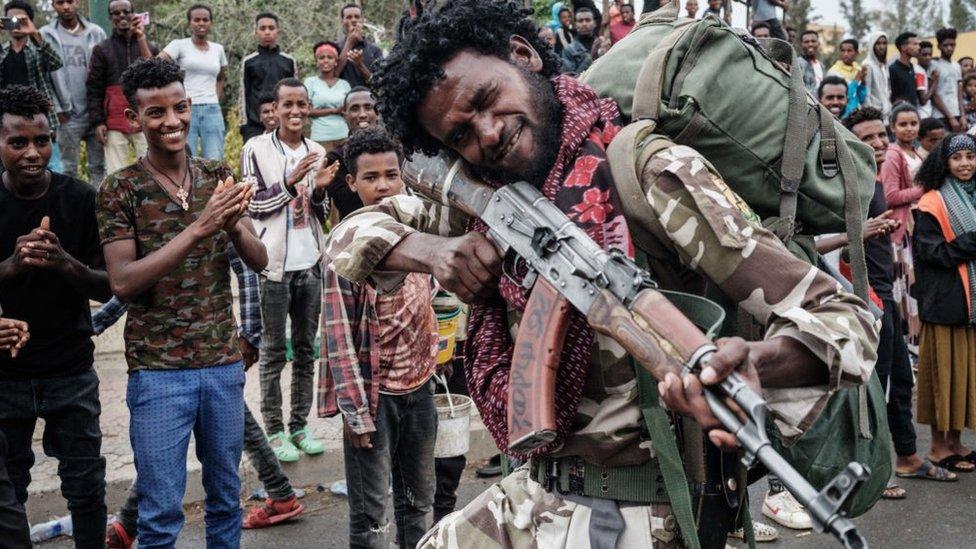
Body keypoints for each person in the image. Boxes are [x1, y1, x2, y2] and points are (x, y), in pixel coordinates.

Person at [339, 2, 878, 547]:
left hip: (639, 513)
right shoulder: (484, 199)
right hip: (532, 493)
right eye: (460, 136)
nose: (488, 133)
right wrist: (432, 251)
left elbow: (846, 319)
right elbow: (348, 237)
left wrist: (759, 362)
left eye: (486, 100)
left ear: (523, 56)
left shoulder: (649, 175)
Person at [97, 58, 267, 547]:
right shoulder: (120, 189)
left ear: (191, 107)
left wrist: (233, 222)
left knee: (225, 501)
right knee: (160, 513)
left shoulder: (218, 174)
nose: (171, 121)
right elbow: (124, 282)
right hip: (157, 373)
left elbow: (259, 260)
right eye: (156, 113)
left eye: (180, 108)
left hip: (220, 365)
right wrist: (201, 227)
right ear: (134, 119)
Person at [96, 251, 303, 548]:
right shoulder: (146, 210)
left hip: (214, 357)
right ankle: (127, 522)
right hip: (163, 365)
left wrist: (250, 333)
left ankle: (126, 523)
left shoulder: (215, 207)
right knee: (162, 477)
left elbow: (246, 263)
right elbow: (135, 279)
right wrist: (94, 323)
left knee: (220, 494)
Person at [0, 84, 112, 549]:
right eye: (17, 142)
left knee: (86, 487)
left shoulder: (80, 198)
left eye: (42, 140)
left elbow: (109, 284)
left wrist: (66, 262)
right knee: (10, 490)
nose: (32, 152)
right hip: (6, 375)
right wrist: (13, 263)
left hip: (71, 367)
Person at [319, 126, 438, 549]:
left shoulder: (418, 233)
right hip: (375, 396)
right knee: (371, 515)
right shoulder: (344, 249)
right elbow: (338, 340)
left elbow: (431, 298)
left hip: (420, 389)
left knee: (419, 502)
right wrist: (356, 414)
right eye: (370, 177)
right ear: (351, 183)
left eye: (391, 173)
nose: (383, 185)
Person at [839, 107, 961, 498]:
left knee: (901, 381)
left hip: (890, 290)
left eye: (880, 136)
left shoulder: (874, 179)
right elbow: (827, 238)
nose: (876, 143)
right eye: (867, 137)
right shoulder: (847, 183)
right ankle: (874, 470)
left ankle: (906, 457)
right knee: (875, 385)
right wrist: (860, 232)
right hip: (864, 295)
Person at [241, 78, 337, 463]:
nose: (295, 112)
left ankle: (299, 426)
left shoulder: (316, 149)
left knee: (304, 350)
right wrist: (290, 180)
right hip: (273, 266)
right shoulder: (256, 148)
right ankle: (275, 431)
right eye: (288, 105)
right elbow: (253, 207)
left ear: (309, 107)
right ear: (275, 110)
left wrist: (317, 190)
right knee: (273, 353)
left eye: (302, 104)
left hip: (310, 263)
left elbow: (322, 214)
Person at [913, 132, 976, 475]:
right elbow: (931, 253)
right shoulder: (932, 202)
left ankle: (956, 442)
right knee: (943, 376)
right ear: (944, 163)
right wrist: (971, 242)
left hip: (969, 303)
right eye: (957, 158)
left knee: (963, 376)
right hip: (944, 301)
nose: (965, 163)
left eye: (970, 156)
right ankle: (938, 448)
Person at [87, 0, 157, 176]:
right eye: (116, 13)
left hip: (144, 115)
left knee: (152, 168)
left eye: (126, 12)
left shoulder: (149, 46)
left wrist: (141, 38)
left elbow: (156, 75)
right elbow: (94, 87)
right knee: (115, 173)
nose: (122, 16)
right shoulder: (101, 49)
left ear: (134, 14)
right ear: (110, 18)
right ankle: (117, 203)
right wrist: (98, 122)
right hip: (114, 119)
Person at [40, 0, 107, 185]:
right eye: (60, 2)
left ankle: (97, 210)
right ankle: (71, 210)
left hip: (95, 114)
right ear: (53, 5)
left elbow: (105, 72)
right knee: (69, 169)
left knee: (98, 168)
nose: (66, 6)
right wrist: (56, 108)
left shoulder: (96, 32)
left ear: (78, 2)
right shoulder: (45, 34)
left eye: (70, 1)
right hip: (66, 116)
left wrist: (102, 111)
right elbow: (44, 75)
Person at [0, 1, 64, 172]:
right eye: (10, 19)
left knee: (50, 164)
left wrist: (34, 33)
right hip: (7, 118)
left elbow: (56, 62)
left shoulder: (38, 50)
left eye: (20, 19)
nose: (15, 23)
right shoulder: (2, 51)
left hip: (39, 117)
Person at [159, 4, 227, 161]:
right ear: (189, 23)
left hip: (212, 109)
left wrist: (215, 96)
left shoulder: (218, 49)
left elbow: (221, 76)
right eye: (197, 20)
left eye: (205, 20)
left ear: (211, 23)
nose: (201, 23)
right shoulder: (179, 45)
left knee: (214, 157)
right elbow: (157, 64)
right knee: (184, 155)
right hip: (185, 108)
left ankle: (216, 186)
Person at [880, 103, 924, 346]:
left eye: (913, 123)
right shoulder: (892, 154)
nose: (909, 129)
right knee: (904, 292)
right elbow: (890, 196)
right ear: (893, 127)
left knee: (914, 288)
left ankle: (914, 344)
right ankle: (906, 344)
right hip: (900, 229)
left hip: (915, 226)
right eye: (903, 124)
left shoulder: (915, 152)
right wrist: (924, 189)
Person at [238, 12, 296, 143]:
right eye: (262, 28)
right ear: (256, 32)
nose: (267, 32)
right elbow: (243, 94)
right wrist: (245, 124)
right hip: (255, 124)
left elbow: (294, 93)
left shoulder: (288, 61)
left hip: (284, 121)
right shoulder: (249, 61)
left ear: (278, 31)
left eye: (271, 28)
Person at [325, 86, 376, 221]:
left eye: (368, 107)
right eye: (355, 109)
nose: (362, 114)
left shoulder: (393, 150)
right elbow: (343, 203)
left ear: (377, 112)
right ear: (345, 114)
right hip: (354, 228)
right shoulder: (335, 157)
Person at [305, 42, 351, 153]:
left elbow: (349, 109)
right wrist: (333, 110)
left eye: (330, 57)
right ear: (316, 62)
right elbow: (307, 111)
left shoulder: (344, 84)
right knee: (321, 168)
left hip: (343, 135)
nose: (325, 60)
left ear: (336, 62)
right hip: (320, 136)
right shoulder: (310, 82)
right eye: (321, 58)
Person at [336, 3, 384, 89]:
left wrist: (360, 65)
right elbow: (332, 77)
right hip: (342, 100)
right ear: (342, 22)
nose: (354, 20)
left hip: (368, 100)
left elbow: (378, 83)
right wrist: (349, 42)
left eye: (357, 17)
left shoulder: (375, 50)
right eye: (349, 17)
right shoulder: (335, 48)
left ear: (362, 20)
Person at [930, 28, 967, 133]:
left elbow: (959, 93)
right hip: (940, 115)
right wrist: (950, 117)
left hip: (957, 115)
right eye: (945, 45)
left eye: (952, 45)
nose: (949, 48)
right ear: (939, 46)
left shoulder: (956, 66)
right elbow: (934, 94)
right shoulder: (933, 65)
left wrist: (962, 115)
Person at [863, 31, 892, 118]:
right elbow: (866, 92)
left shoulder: (884, 65)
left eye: (884, 43)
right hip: (874, 113)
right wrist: (870, 113)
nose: (881, 47)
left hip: (886, 112)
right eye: (878, 43)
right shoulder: (867, 65)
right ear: (872, 45)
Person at [561, 7, 598, 74]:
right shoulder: (568, 50)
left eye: (588, 20)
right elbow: (572, 79)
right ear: (575, 24)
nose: (584, 24)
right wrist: (591, 57)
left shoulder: (603, 44)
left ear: (594, 23)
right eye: (580, 21)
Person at [889, 32, 921, 107]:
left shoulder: (911, 67)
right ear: (903, 47)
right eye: (915, 44)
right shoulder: (893, 69)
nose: (918, 47)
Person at [795, 30, 824, 95]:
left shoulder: (821, 65)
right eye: (806, 42)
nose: (810, 44)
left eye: (813, 41)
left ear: (818, 44)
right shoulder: (796, 63)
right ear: (801, 45)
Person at [916, 41, 939, 119]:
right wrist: (935, 81)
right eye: (924, 55)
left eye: (930, 55)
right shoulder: (919, 72)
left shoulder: (922, 71)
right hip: (923, 115)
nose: (928, 57)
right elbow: (923, 100)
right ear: (917, 55)